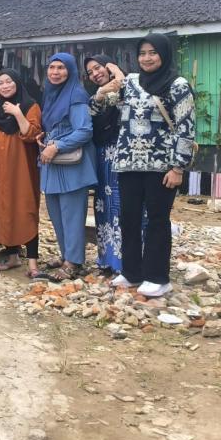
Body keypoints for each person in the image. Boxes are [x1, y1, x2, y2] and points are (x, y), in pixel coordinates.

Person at [93, 34, 195, 297]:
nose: (147, 58)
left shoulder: (178, 85)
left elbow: (186, 128)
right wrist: (104, 92)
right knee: (128, 218)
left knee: (157, 220)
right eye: (142, 53)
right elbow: (110, 105)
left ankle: (158, 277)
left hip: (161, 166)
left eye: (152, 53)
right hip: (128, 162)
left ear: (163, 54)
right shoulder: (131, 82)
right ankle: (132, 272)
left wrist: (178, 167)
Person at [0, 69, 42, 276]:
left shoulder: (31, 106)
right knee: (3, 208)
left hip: (21, 169)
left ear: (17, 83)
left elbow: (31, 134)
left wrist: (18, 113)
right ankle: (13, 257)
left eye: (8, 81)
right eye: (0, 82)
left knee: (25, 208)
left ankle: (33, 264)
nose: (4, 86)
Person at [38, 53, 97, 281]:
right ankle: (66, 255)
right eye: (52, 67)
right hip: (52, 163)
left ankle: (74, 261)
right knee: (55, 213)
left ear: (70, 71)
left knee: (72, 214)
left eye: (61, 68)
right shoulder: (51, 95)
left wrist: (58, 145)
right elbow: (55, 124)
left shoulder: (76, 94)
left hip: (71, 163)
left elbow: (84, 130)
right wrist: (43, 137)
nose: (55, 72)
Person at [84, 55, 124, 273]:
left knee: (122, 206)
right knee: (103, 206)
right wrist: (100, 94)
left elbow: (128, 102)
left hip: (123, 157)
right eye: (90, 72)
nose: (95, 73)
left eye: (98, 68)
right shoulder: (94, 97)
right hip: (101, 156)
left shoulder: (127, 89)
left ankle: (126, 260)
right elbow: (90, 119)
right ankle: (107, 258)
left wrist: (118, 75)